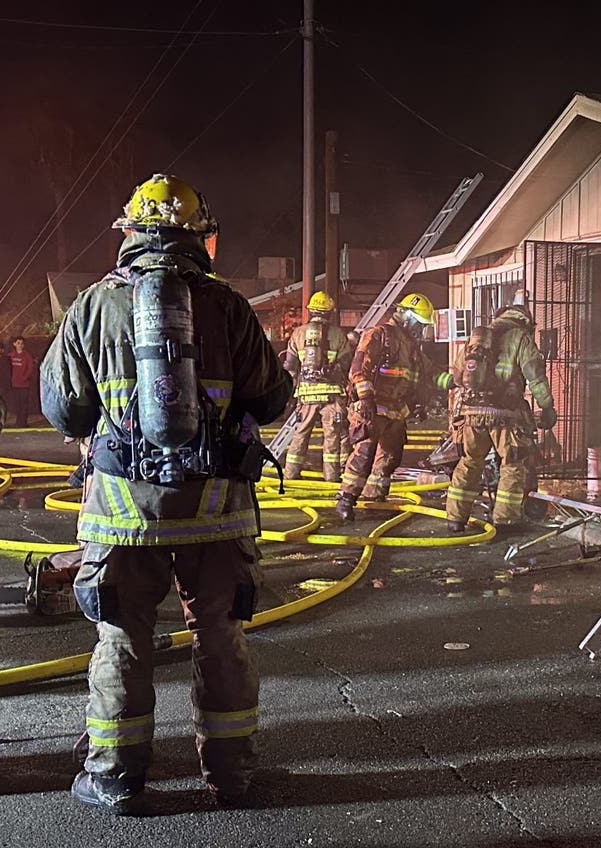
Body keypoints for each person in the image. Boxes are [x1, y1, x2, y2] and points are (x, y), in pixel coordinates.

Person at [41, 173, 291, 815]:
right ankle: (232, 771)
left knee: (121, 640)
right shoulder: (229, 306)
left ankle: (114, 775)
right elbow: (270, 399)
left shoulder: (93, 306)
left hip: (123, 518)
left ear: (129, 235)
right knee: (220, 636)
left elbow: (64, 411)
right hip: (217, 514)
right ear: (200, 238)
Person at [444, 303, 555, 534]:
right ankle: (505, 522)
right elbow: (535, 377)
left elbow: (457, 376)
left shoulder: (476, 341)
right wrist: (547, 407)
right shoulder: (520, 338)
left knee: (469, 462)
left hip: (470, 414)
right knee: (512, 465)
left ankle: (455, 520)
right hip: (504, 416)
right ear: (526, 322)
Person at [336, 293, 438, 523]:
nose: (420, 330)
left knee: (390, 456)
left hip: (397, 410)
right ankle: (346, 499)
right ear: (407, 316)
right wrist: (365, 400)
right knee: (364, 453)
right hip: (374, 406)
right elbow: (358, 369)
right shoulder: (379, 335)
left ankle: (374, 498)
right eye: (419, 324)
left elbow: (428, 374)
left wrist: (455, 380)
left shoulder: (411, 347)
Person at [280, 290, 350, 481]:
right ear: (329, 312)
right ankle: (332, 478)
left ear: (311, 311)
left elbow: (290, 367)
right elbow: (346, 366)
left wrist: (292, 394)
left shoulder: (297, 334)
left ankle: (290, 475)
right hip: (331, 397)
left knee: (300, 435)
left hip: (306, 395)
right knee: (332, 438)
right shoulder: (338, 335)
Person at [7, 336, 38, 426]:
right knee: (17, 404)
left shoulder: (27, 356)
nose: (20, 345)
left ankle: (23, 422)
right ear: (14, 344)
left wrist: (25, 377)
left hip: (24, 384)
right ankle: (17, 421)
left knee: (23, 404)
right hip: (14, 384)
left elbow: (30, 368)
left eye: (21, 343)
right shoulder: (10, 356)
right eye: (18, 343)